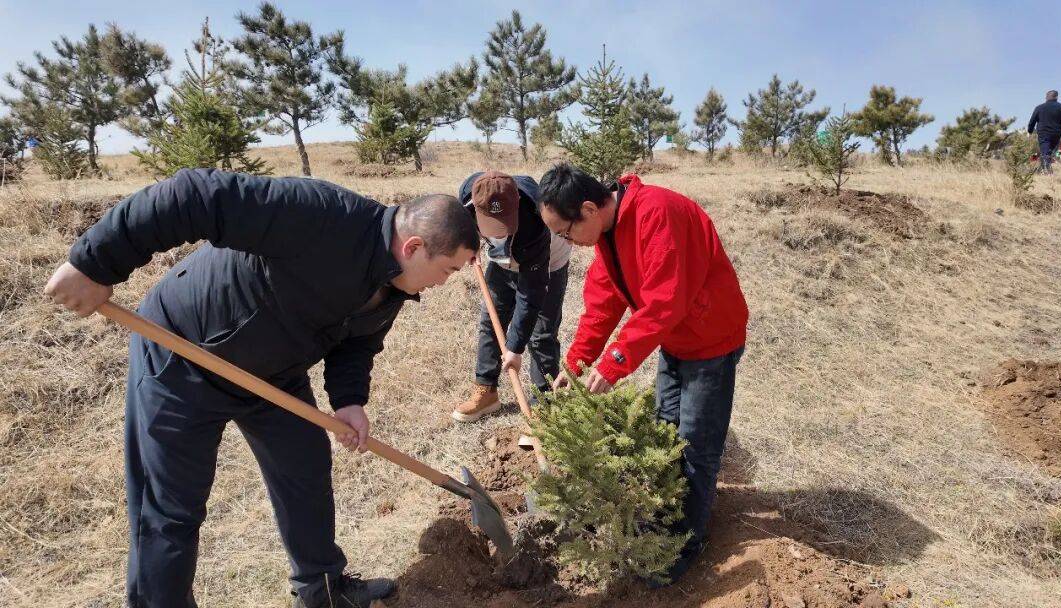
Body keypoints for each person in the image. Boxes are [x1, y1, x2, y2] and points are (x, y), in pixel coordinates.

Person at [43, 168, 479, 608]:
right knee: (172, 507)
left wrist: (349, 401)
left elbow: (358, 341)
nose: (444, 283)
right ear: (414, 247)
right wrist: (93, 263)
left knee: (304, 470)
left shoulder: (394, 282)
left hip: (274, 373)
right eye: (447, 270)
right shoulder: (321, 217)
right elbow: (192, 195)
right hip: (185, 354)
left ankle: (322, 591)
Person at [537, 163, 748, 585]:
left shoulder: (657, 214)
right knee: (667, 432)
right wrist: (577, 364)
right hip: (676, 341)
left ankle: (683, 544)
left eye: (565, 232)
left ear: (588, 209)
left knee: (696, 447)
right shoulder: (608, 235)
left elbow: (664, 304)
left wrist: (614, 363)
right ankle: (668, 515)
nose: (566, 242)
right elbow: (601, 306)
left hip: (711, 340)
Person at [452, 171, 571, 422]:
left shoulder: (536, 221)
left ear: (516, 202)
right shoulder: (468, 195)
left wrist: (514, 348)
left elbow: (530, 295)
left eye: (505, 223)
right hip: (501, 262)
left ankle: (543, 406)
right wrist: (470, 242)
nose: (500, 232)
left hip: (547, 263)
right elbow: (463, 226)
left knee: (542, 334)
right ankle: (487, 392)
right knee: (490, 321)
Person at [1028, 89, 1061, 173]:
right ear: (1056, 97)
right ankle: (1043, 170)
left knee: (1045, 152)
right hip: (1056, 134)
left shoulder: (1039, 107)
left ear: (1046, 97)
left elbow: (1032, 121)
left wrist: (1030, 131)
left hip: (1043, 134)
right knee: (1048, 152)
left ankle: (1046, 170)